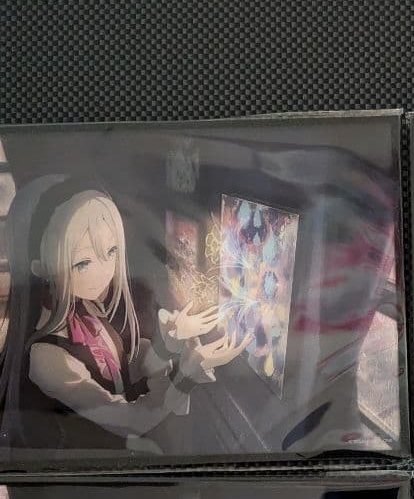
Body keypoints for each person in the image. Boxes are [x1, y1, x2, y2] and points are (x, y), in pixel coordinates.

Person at [0, 176, 247, 452]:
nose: (105, 271)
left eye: (111, 251)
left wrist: (169, 342)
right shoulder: (45, 357)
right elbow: (130, 418)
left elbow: (127, 370)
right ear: (39, 268)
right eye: (83, 263)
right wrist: (185, 376)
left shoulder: (85, 307)